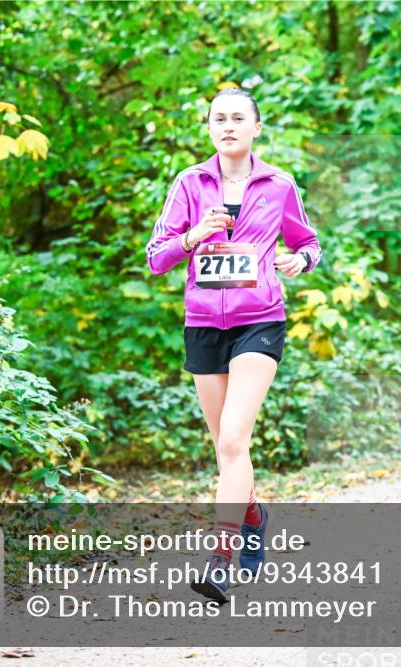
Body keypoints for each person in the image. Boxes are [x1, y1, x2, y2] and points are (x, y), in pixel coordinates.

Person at [145, 87, 321, 604]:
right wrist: (194, 235)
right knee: (227, 449)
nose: (228, 126)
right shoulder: (189, 183)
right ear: (209, 128)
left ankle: (219, 560)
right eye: (218, 118)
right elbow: (156, 257)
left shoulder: (280, 184)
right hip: (203, 325)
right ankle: (253, 515)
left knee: (231, 442)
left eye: (238, 118)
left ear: (256, 128)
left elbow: (307, 243)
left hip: (259, 322)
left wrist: (300, 262)